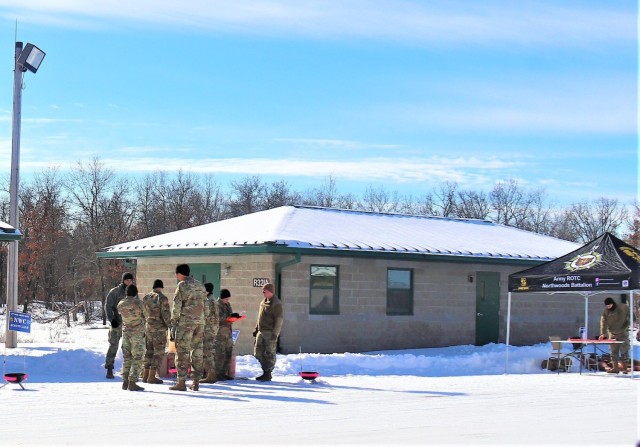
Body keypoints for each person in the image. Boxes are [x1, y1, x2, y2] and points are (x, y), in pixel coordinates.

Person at [170, 263, 208, 391]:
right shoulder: (200, 285)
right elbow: (206, 305)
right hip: (200, 322)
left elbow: (177, 305)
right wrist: (203, 319)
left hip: (186, 323)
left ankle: (181, 382)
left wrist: (174, 322)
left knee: (182, 351)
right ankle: (196, 382)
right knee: (197, 351)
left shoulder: (182, 285)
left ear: (179, 274)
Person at [117, 284, 147, 391]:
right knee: (138, 357)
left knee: (127, 357)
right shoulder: (139, 303)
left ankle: (125, 381)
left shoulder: (120, 304)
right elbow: (146, 315)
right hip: (137, 334)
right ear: (136, 293)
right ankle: (133, 381)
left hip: (126, 333)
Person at [104, 272, 134, 379]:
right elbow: (108, 306)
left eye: (130, 280)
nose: (129, 282)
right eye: (127, 280)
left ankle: (126, 370)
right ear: (123, 281)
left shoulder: (132, 292)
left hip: (129, 324)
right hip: (116, 323)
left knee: (127, 347)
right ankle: (109, 369)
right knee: (113, 345)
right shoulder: (115, 292)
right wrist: (112, 320)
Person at [253, 283, 284, 382]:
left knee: (269, 353)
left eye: (264, 291)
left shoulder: (276, 304)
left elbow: (279, 320)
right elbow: (259, 316)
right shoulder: (263, 302)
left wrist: (275, 334)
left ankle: (268, 373)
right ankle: (264, 370)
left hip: (270, 332)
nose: (263, 293)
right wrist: (256, 328)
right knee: (258, 352)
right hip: (261, 331)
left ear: (270, 292)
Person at [142, 279, 171, 384]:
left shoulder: (146, 297)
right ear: (161, 287)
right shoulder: (162, 298)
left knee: (149, 351)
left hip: (148, 328)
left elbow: (142, 313)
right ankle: (152, 376)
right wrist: (171, 326)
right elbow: (166, 314)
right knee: (158, 352)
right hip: (159, 329)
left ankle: (145, 375)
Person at [598, 296, 630, 373]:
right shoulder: (606, 312)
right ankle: (615, 368)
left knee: (624, 350)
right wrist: (602, 333)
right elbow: (603, 322)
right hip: (612, 334)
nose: (608, 307)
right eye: (607, 305)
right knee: (613, 351)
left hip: (623, 333)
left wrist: (626, 326)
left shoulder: (622, 307)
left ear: (613, 303)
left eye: (609, 305)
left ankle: (625, 368)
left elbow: (629, 317)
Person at [214, 289, 237, 380]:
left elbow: (229, 314)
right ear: (222, 298)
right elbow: (219, 317)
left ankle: (223, 373)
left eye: (228, 299)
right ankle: (217, 373)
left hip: (228, 332)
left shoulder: (227, 304)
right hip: (220, 333)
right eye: (226, 299)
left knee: (228, 353)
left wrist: (235, 316)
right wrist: (230, 317)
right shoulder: (217, 305)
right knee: (220, 354)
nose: (228, 301)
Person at [200, 282, 220, 384]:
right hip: (211, 329)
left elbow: (206, 316)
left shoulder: (209, 301)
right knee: (208, 351)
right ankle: (209, 373)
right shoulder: (212, 299)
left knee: (207, 352)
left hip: (208, 330)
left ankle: (211, 375)